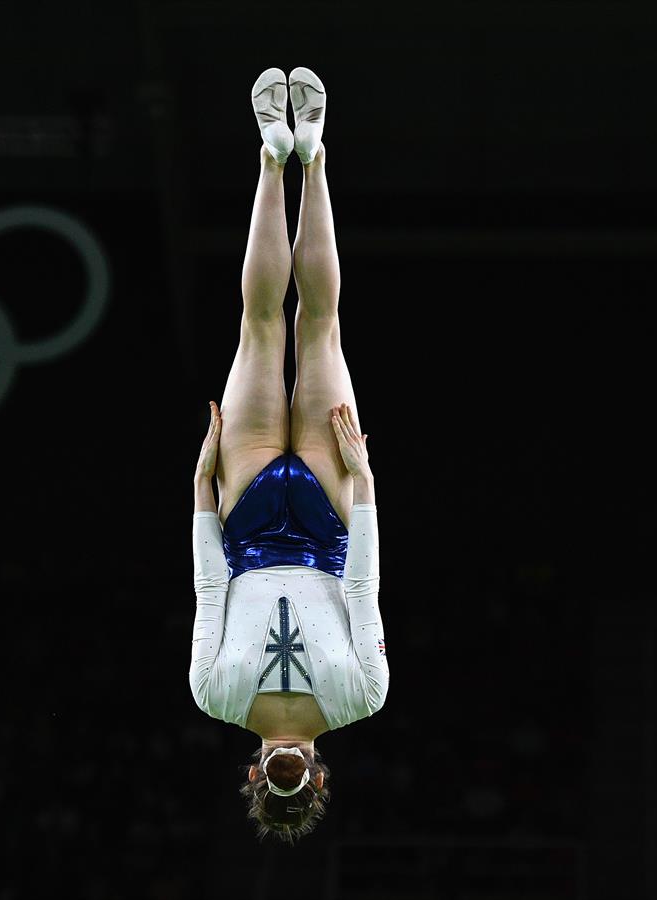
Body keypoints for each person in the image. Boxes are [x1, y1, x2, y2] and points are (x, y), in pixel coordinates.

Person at [188, 66, 389, 844]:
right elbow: (210, 585)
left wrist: (365, 486)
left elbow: (366, 582)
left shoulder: (362, 699)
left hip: (326, 523)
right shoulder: (214, 697)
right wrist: (202, 488)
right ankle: (274, 158)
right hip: (244, 518)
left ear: (319, 775)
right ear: (254, 773)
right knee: (263, 326)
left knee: (320, 327)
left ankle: (312, 155)